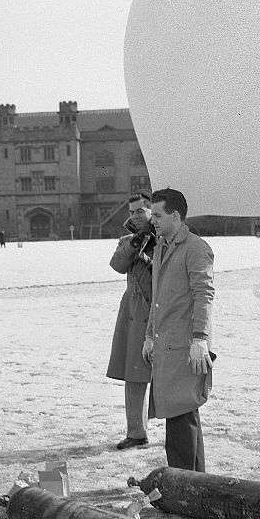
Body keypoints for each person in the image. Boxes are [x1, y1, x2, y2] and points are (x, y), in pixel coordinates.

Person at [143, 188, 215, 472]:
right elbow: (157, 297)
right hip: (166, 346)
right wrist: (149, 336)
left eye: (158, 215)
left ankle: (187, 483)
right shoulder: (161, 246)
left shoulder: (196, 248)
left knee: (182, 417)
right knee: (181, 420)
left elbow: (204, 296)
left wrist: (200, 339)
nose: (153, 221)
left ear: (175, 216)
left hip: (186, 348)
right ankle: (195, 483)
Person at [106, 191, 156, 450]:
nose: (135, 216)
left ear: (151, 211)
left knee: (168, 374)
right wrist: (136, 243)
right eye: (131, 212)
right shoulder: (128, 240)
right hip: (134, 312)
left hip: (159, 310)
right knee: (134, 374)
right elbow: (117, 264)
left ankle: (178, 431)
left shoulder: (165, 239)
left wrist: (148, 255)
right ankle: (136, 431)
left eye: (140, 211)